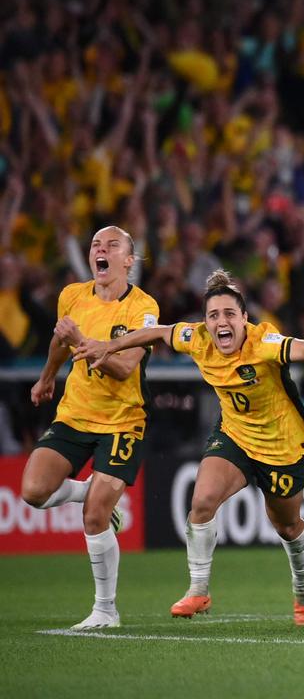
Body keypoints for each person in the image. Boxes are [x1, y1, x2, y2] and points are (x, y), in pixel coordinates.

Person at [75, 269, 304, 627]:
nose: (221, 322)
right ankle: (198, 590)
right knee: (202, 501)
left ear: (244, 318)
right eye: (213, 315)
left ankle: (303, 586)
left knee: (286, 525)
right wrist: (109, 346)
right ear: (205, 322)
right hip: (235, 435)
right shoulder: (197, 338)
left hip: (281, 445)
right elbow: (157, 332)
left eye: (229, 314)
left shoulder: (263, 343)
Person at [24, 226, 157, 630]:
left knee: (95, 516)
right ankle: (90, 492)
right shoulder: (72, 295)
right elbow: (59, 342)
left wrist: (80, 337)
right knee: (33, 491)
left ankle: (105, 610)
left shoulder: (143, 307)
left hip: (122, 421)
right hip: (75, 415)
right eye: (96, 245)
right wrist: (47, 377)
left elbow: (125, 367)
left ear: (128, 260)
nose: (101, 250)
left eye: (112, 246)